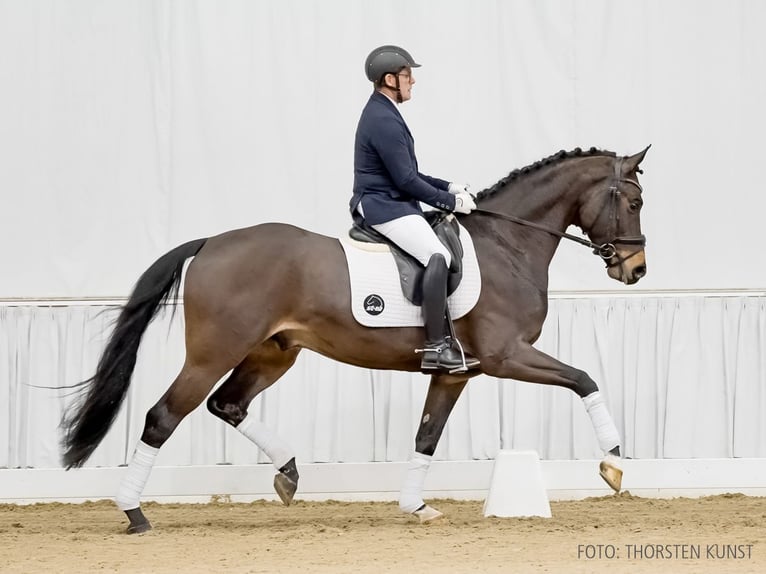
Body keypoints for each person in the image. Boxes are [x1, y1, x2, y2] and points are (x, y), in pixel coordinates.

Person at [349, 45, 480, 373]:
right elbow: (406, 180)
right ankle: (436, 346)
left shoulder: (385, 111)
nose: (413, 82)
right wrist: (449, 203)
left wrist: (448, 186)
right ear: (390, 78)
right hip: (382, 206)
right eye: (408, 75)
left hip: (393, 200)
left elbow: (408, 172)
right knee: (439, 256)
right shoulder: (382, 119)